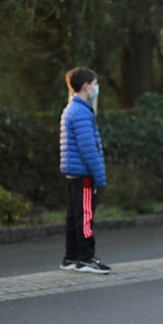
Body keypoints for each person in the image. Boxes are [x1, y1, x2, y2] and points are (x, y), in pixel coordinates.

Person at [59, 67, 110, 274]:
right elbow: (88, 149)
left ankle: (71, 257)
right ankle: (86, 258)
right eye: (95, 84)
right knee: (85, 217)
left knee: (74, 216)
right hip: (84, 174)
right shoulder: (82, 112)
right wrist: (99, 178)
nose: (97, 88)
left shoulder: (71, 108)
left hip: (73, 173)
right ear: (86, 86)